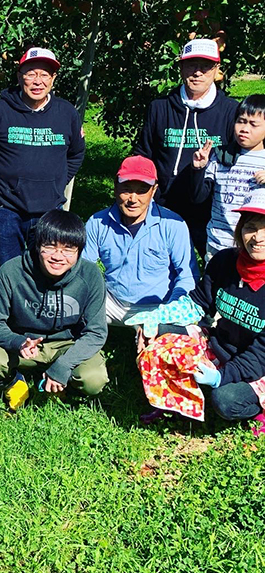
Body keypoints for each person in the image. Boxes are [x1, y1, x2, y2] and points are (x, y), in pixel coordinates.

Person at [127, 189, 265, 428]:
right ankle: (172, 403)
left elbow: (260, 356)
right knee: (155, 333)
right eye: (251, 227)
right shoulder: (226, 262)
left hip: (259, 365)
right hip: (220, 346)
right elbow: (197, 303)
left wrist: (221, 377)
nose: (257, 237)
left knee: (225, 400)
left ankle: (257, 410)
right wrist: (155, 318)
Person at [0, 47, 85, 276]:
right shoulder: (0, 112)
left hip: (49, 209)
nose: (37, 81)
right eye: (31, 73)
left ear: (53, 79)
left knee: (47, 268)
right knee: (6, 268)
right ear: (20, 75)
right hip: (8, 208)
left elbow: (76, 153)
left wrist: (58, 182)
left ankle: (38, 312)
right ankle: (4, 312)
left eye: (44, 75)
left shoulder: (66, 113)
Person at [0, 210, 108, 410]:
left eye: (68, 249)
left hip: (67, 343)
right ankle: (14, 381)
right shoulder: (11, 271)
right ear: (37, 245)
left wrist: (64, 365)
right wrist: (18, 342)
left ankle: (63, 386)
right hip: (23, 342)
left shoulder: (90, 275)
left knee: (93, 379)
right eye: (49, 246)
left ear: (79, 251)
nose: (58, 256)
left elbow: (96, 332)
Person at [134, 38, 238, 255]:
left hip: (211, 208)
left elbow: (240, 155)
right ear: (181, 67)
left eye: (205, 66)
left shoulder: (231, 112)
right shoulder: (160, 108)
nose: (198, 72)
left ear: (217, 69)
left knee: (215, 269)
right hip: (165, 204)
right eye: (191, 65)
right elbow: (143, 153)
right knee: (161, 264)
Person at [83, 155, 198, 348]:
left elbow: (187, 275)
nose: (133, 199)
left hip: (159, 306)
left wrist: (169, 310)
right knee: (70, 306)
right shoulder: (97, 222)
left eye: (142, 191)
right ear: (115, 187)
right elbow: (84, 271)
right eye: (126, 189)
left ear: (154, 191)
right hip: (112, 301)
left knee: (166, 357)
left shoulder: (173, 224)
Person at [190, 94, 265, 257]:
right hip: (219, 245)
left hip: (257, 247)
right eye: (241, 121)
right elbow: (198, 197)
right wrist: (199, 169)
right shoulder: (221, 156)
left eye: (254, 124)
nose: (245, 129)